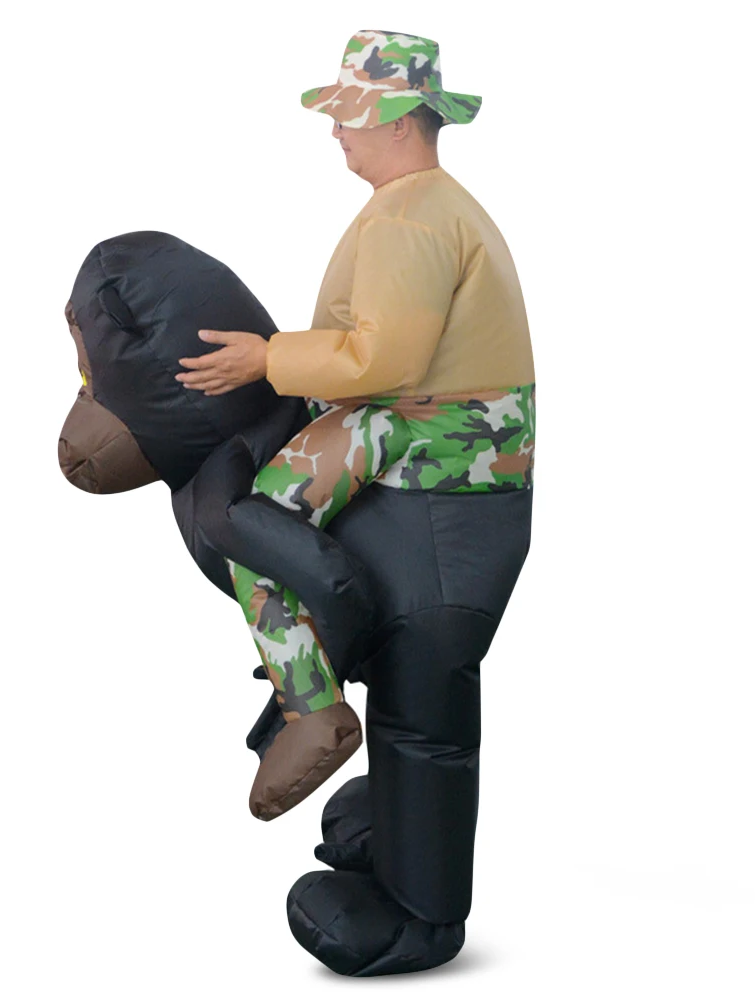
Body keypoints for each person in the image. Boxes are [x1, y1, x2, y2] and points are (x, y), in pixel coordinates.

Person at [176, 28, 536, 824]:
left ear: (400, 122)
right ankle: (316, 661)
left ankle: (310, 704)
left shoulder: (410, 220)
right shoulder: (427, 206)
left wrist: (266, 359)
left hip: (440, 433)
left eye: (350, 113)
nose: (335, 129)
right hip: (466, 425)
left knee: (253, 522)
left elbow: (385, 361)